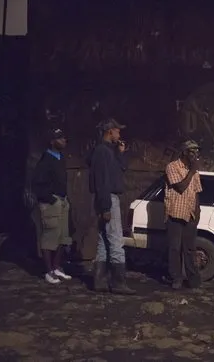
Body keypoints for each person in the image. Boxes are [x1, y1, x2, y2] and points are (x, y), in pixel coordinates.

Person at [88, 118, 136, 295]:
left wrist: (121, 153)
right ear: (110, 131)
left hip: (107, 198)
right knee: (116, 240)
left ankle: (99, 281)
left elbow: (120, 169)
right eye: (118, 130)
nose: (120, 134)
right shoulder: (102, 151)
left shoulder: (109, 151)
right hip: (108, 198)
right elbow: (102, 181)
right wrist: (106, 207)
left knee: (103, 239)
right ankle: (118, 282)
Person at [31, 128, 73, 284]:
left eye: (64, 138)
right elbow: (36, 184)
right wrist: (50, 199)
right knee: (49, 237)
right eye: (60, 138)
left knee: (63, 237)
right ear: (52, 141)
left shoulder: (60, 158)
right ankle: (48, 271)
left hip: (62, 201)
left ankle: (56, 267)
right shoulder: (46, 160)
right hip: (51, 203)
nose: (64, 140)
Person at [164, 140, 203, 290]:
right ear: (184, 152)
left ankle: (193, 281)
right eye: (192, 152)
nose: (195, 155)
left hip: (190, 214)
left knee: (190, 249)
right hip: (175, 213)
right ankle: (176, 278)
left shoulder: (194, 170)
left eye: (197, 152)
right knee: (174, 248)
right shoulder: (172, 167)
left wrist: (197, 212)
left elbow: (196, 192)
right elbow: (180, 187)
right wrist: (192, 172)